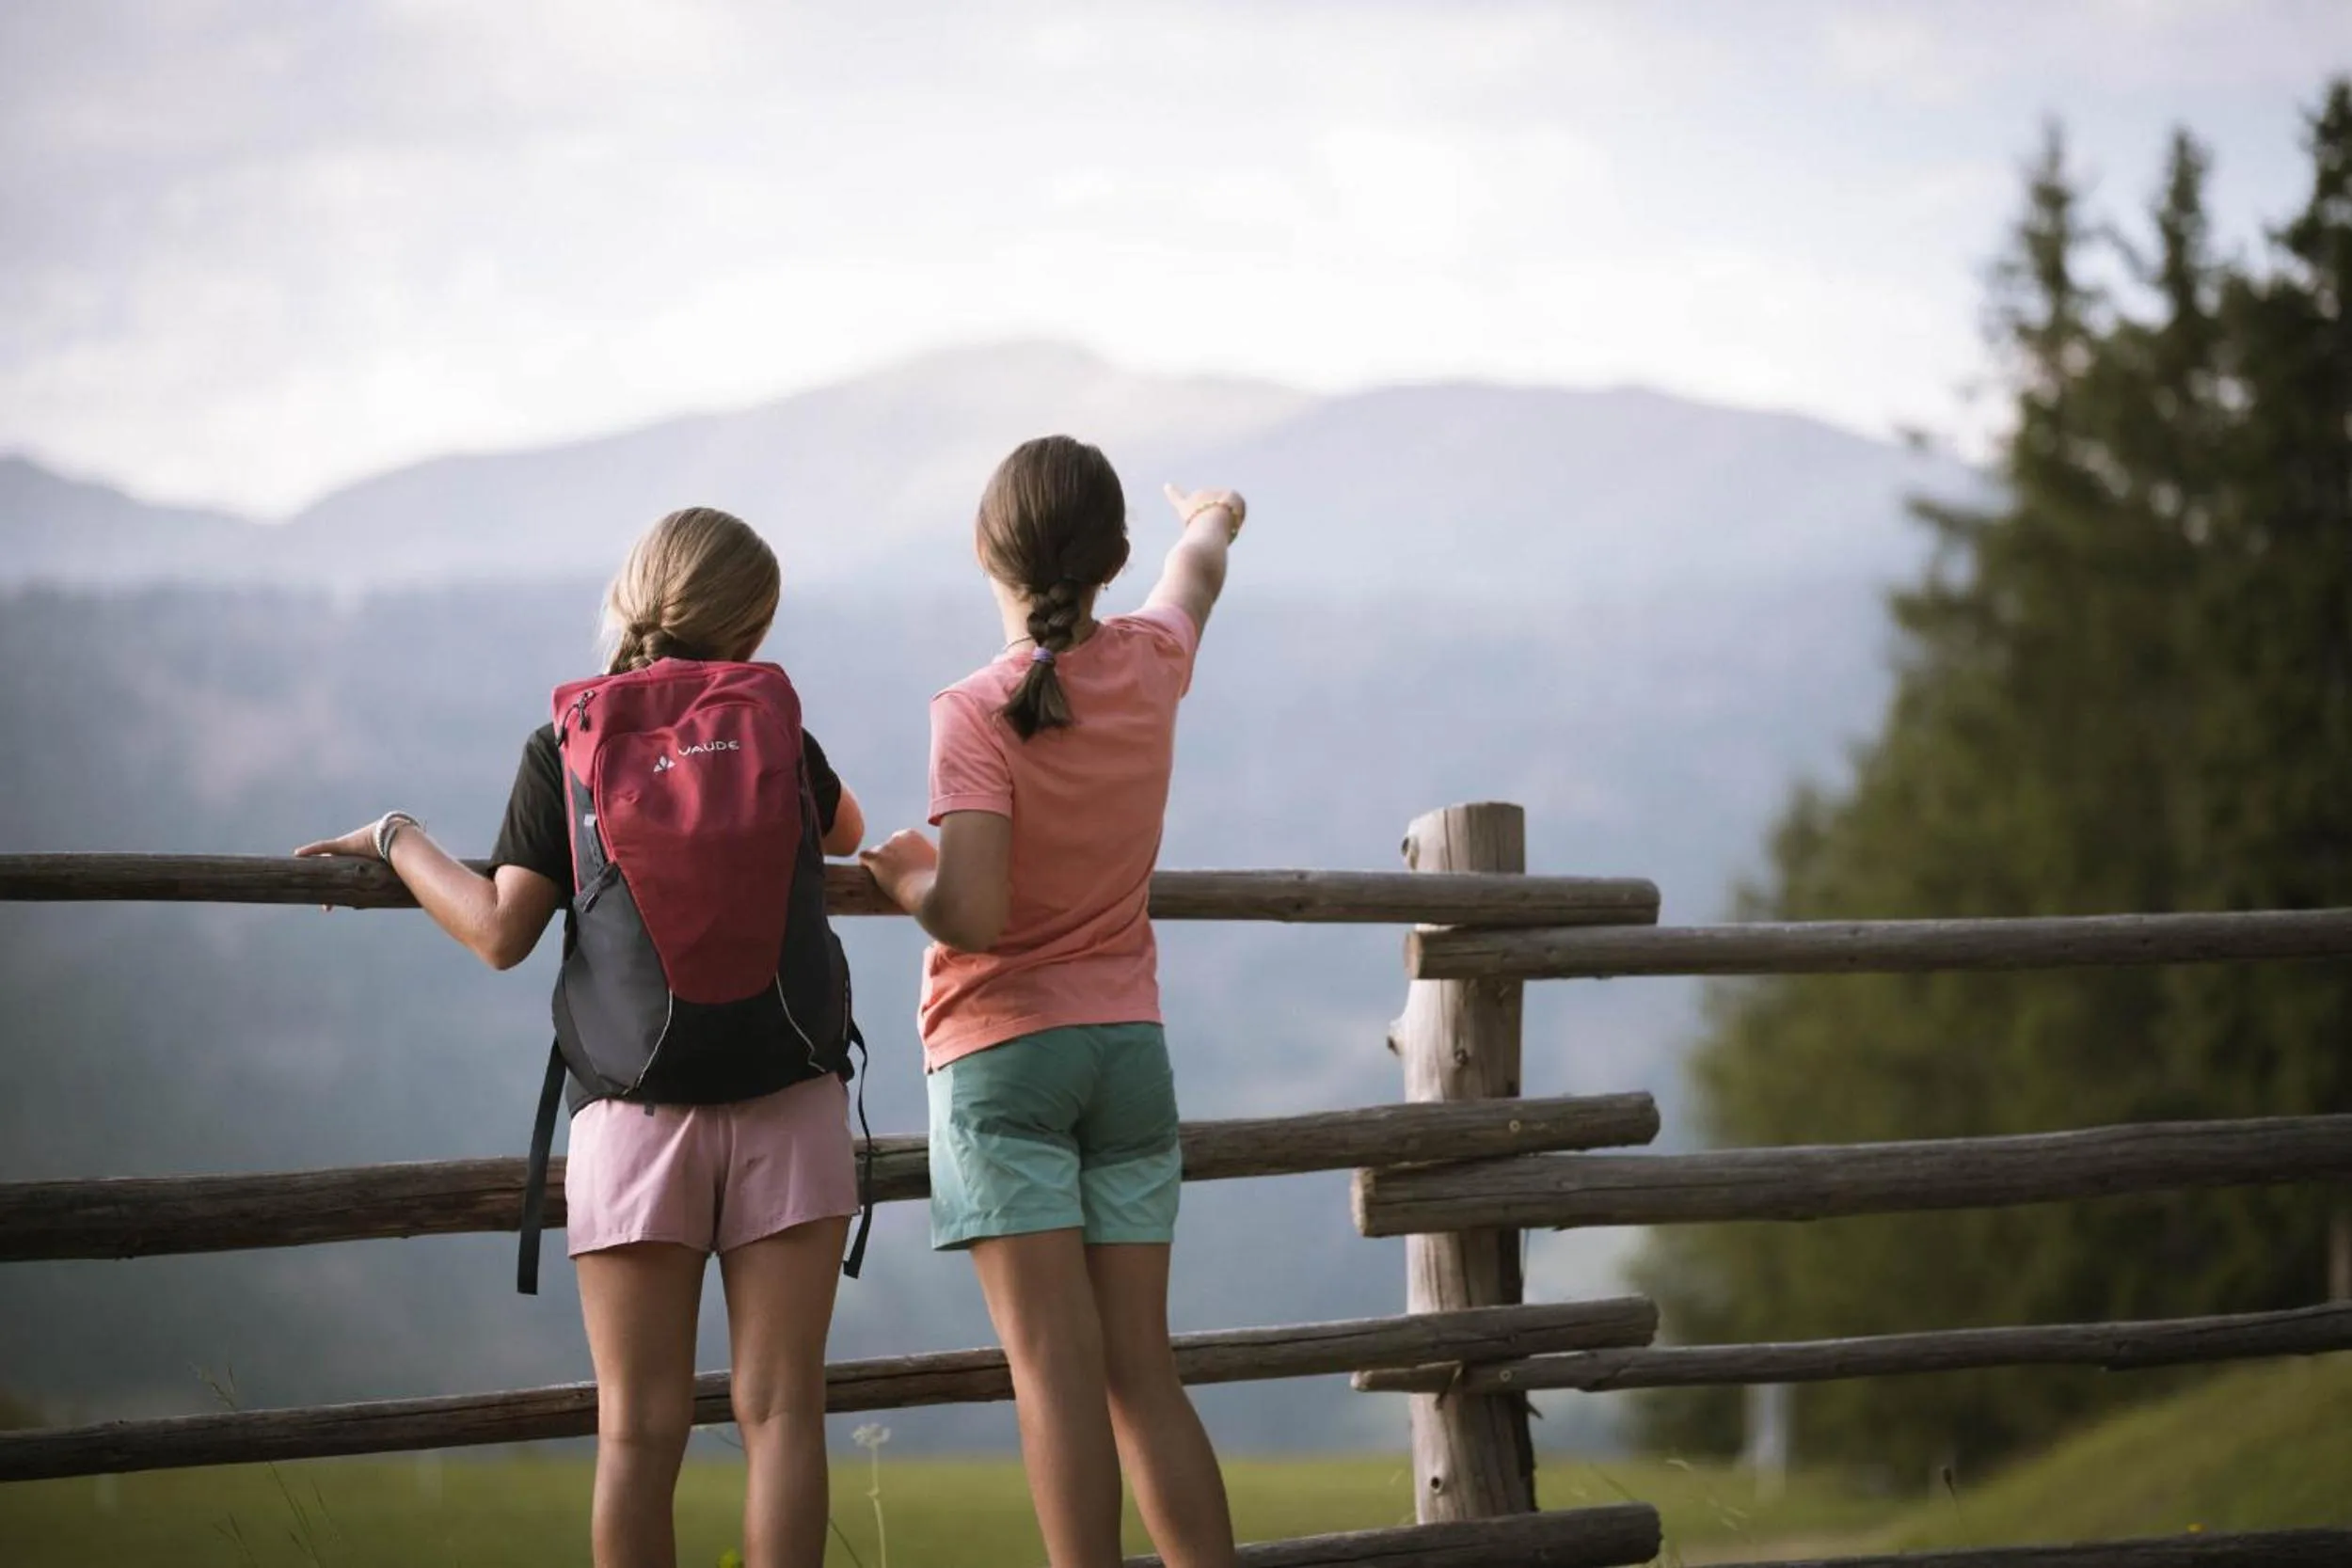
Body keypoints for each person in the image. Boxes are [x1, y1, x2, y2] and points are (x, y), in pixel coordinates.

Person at [296, 506, 866, 1568]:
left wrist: (395, 836)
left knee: (637, 1431)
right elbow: (850, 833)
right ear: (753, 624)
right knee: (784, 1410)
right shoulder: (779, 731)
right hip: (790, 1099)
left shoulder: (565, 744)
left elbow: (500, 932)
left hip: (635, 1116)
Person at [860, 436, 1244, 1568]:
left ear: (986, 553)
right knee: (1144, 1376)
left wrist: (906, 876)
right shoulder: (1155, 661)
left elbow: (972, 913)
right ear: (1114, 557)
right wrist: (1213, 512)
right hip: (1127, 1050)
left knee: (1056, 1379)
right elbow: (1198, 571)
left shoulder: (974, 709)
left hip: (1003, 1057)